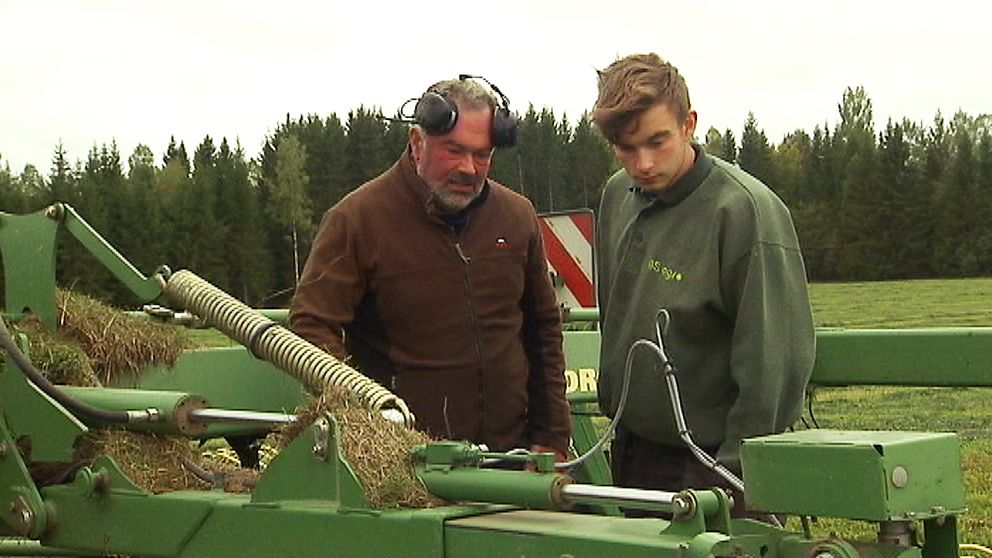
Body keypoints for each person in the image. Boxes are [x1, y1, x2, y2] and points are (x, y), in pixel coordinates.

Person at [289, 77, 571, 462]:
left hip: (513, 459)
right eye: (454, 151)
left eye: (482, 154)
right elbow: (313, 329)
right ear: (417, 142)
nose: (469, 168)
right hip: (405, 466)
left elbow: (543, 329)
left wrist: (553, 435)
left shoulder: (516, 216)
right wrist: (363, 431)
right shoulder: (357, 221)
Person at [591, 53, 815, 517]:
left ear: (689, 124)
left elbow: (773, 362)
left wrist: (737, 477)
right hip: (636, 456)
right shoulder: (617, 197)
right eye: (626, 147)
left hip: (717, 465)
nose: (643, 162)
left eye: (658, 141)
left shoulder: (744, 212)